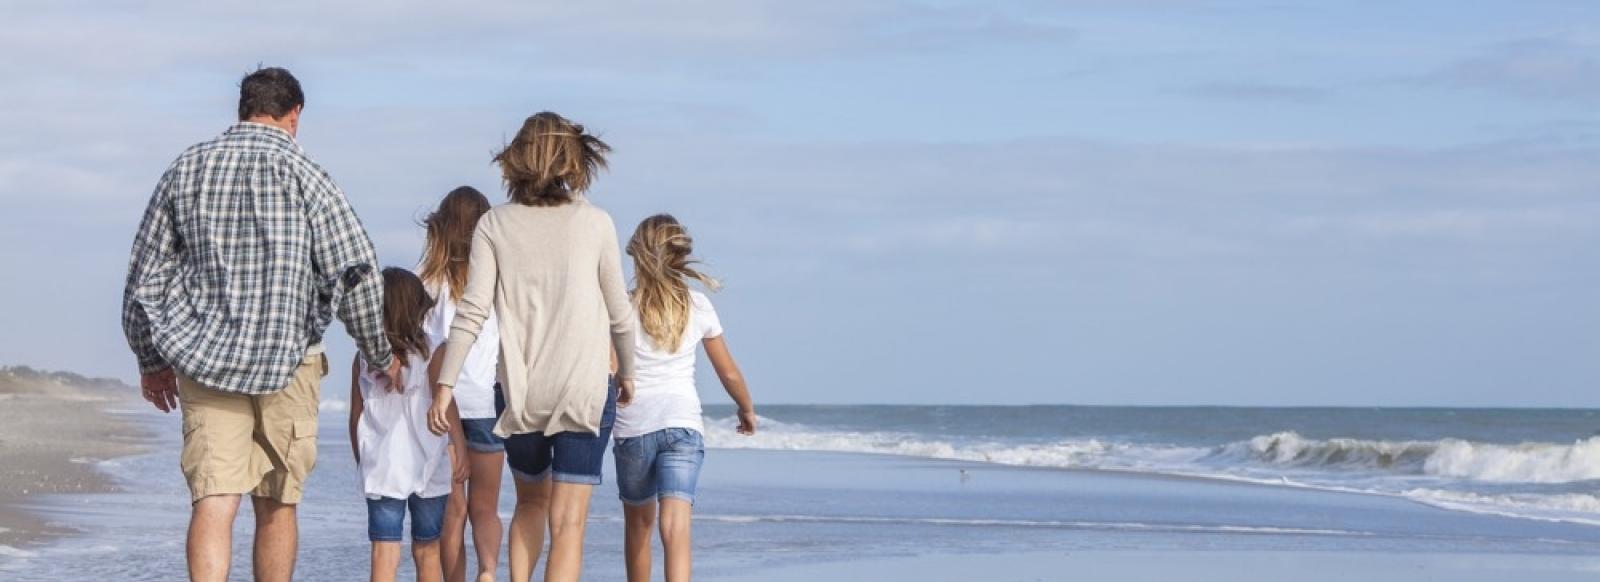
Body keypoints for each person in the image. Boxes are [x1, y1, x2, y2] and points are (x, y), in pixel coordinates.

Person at [121, 66, 399, 582]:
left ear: (243, 110)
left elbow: (144, 276)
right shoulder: (308, 175)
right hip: (290, 361)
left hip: (204, 360)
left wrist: (150, 359)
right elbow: (357, 275)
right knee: (277, 502)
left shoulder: (188, 168)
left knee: (214, 497)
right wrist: (381, 355)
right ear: (294, 116)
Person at [427, 112, 637, 582]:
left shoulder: (493, 225)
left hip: (520, 393)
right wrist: (627, 372)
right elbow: (620, 312)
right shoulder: (596, 223)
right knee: (569, 524)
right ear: (574, 159)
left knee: (529, 504)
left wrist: (445, 385)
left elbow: (472, 312)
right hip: (582, 389)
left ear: (516, 160)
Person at [613, 214, 757, 582]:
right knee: (676, 526)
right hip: (682, 425)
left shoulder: (622, 308)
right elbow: (728, 371)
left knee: (638, 526)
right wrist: (746, 408)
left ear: (637, 257)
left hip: (634, 428)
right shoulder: (698, 305)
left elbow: (611, 369)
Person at [350, 268, 470, 582]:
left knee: (384, 553)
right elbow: (447, 404)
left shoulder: (364, 358)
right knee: (427, 550)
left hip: (383, 469)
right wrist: (460, 447)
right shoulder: (432, 352)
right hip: (429, 465)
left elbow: (356, 414)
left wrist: (361, 458)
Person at [419, 187, 506, 582]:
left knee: (452, 511)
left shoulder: (426, 282)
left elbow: (419, 350)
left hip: (441, 410)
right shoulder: (497, 284)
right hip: (487, 405)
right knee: (485, 507)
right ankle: (488, 571)